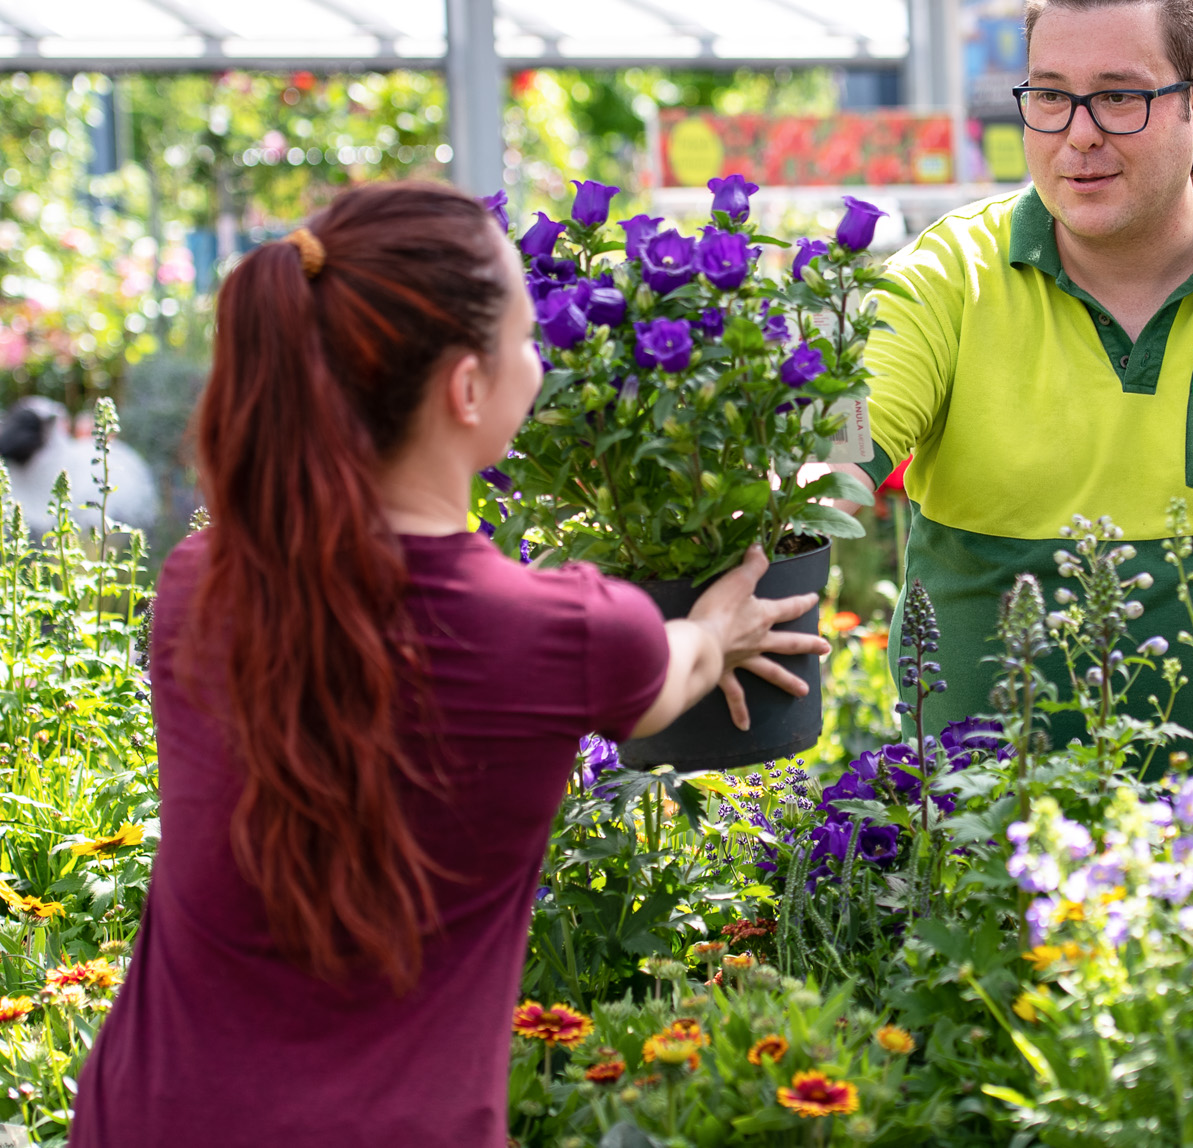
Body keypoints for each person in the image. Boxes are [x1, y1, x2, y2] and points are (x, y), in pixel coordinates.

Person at [69, 182, 824, 1147]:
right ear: (467, 389)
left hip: (150, 1114)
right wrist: (719, 630)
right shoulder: (563, 635)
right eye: (523, 339)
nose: (540, 365)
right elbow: (667, 672)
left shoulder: (198, 586)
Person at [823, 0, 1193, 783]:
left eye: (1118, 98)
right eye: (1048, 97)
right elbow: (837, 443)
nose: (1076, 136)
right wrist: (779, 516)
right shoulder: (949, 279)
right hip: (984, 834)